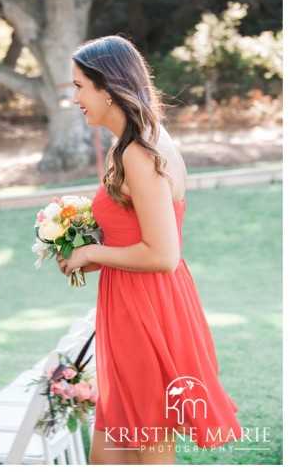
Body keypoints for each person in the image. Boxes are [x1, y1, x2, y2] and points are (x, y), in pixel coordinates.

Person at [56, 36, 242, 465]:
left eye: (79, 86)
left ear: (107, 87)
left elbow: (163, 255)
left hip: (146, 306)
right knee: (110, 453)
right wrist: (83, 242)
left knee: (148, 442)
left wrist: (91, 255)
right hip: (131, 300)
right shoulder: (135, 143)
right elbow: (132, 228)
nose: (75, 98)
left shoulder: (140, 152)